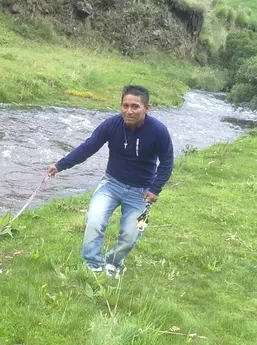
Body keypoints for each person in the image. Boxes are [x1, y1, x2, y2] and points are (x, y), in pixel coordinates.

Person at [47, 85, 174, 277]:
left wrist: (155, 189)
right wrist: (61, 165)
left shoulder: (159, 131)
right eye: (125, 105)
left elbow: (167, 162)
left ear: (147, 108)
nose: (128, 111)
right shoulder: (111, 125)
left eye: (135, 107)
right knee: (94, 221)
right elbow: (88, 147)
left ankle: (114, 262)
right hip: (110, 184)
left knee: (132, 234)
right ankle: (93, 264)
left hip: (142, 192)